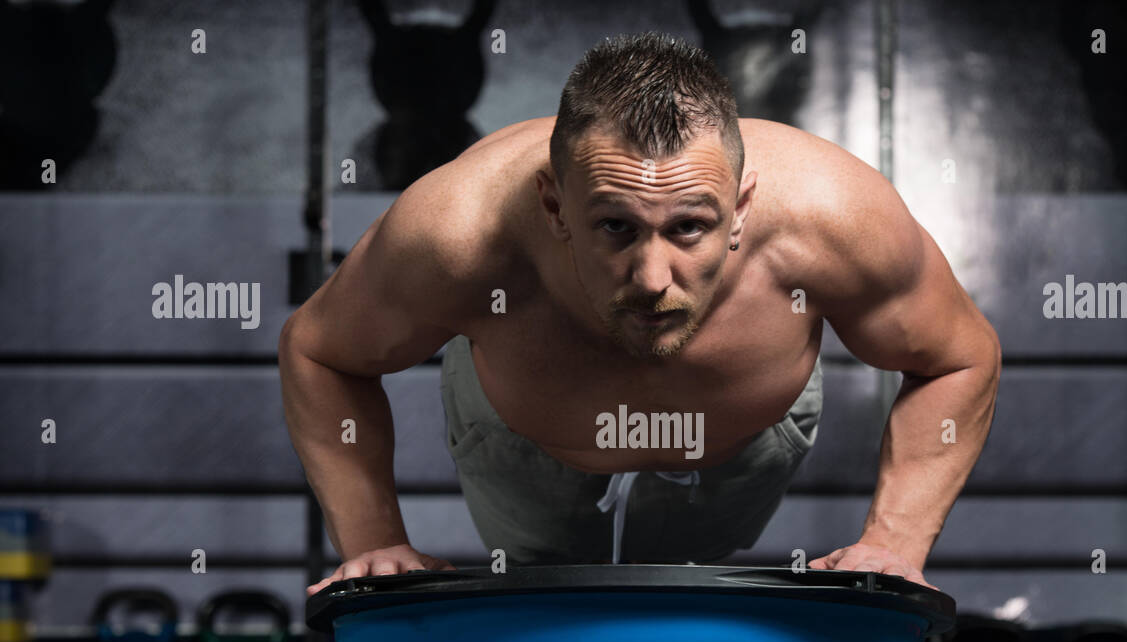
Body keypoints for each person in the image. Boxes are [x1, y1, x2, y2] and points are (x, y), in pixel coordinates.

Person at [279, 32, 1000, 596]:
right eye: (616, 228)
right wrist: (372, 538)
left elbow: (959, 356)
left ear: (742, 207)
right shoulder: (456, 230)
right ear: (555, 206)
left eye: (689, 226)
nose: (654, 280)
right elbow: (320, 351)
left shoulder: (835, 214)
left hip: (740, 452)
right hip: (526, 452)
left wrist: (894, 543)